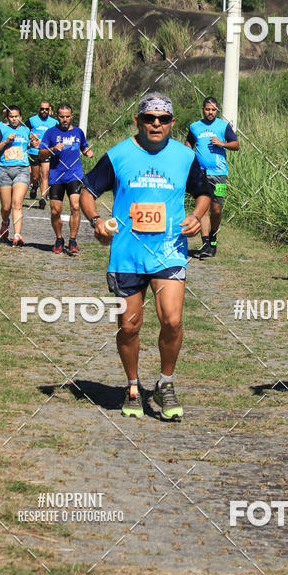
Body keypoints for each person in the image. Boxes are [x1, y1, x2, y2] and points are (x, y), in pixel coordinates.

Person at [80, 93, 212, 421]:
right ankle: (133, 386)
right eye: (150, 118)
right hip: (127, 253)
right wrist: (96, 220)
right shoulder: (119, 154)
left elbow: (205, 191)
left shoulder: (186, 156)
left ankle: (165, 382)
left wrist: (197, 215)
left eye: (163, 119)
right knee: (129, 326)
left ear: (172, 123)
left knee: (172, 320)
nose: (156, 124)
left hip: (169, 250)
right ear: (137, 121)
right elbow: (87, 190)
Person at [185, 96, 239, 258]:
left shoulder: (223, 126)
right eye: (208, 109)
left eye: (213, 109)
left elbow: (236, 145)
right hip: (200, 174)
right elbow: (189, 142)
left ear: (217, 110)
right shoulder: (195, 126)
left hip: (219, 173)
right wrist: (189, 154)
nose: (210, 112)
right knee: (204, 208)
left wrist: (222, 144)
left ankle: (213, 237)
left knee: (216, 209)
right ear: (203, 109)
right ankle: (206, 242)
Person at [38, 103, 94, 256]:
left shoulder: (78, 132)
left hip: (74, 175)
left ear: (71, 116)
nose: (64, 119)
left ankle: (73, 239)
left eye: (67, 116)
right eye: (62, 116)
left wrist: (88, 152)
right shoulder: (50, 133)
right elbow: (41, 154)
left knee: (75, 207)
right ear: (57, 116)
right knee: (55, 210)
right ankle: (58, 238)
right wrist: (53, 149)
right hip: (56, 176)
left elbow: (84, 147)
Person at [0, 105, 39, 246]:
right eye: (11, 117)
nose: (14, 119)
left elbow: (29, 145)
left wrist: (33, 143)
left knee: (17, 203)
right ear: (7, 118)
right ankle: (5, 222)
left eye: (16, 116)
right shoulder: (2, 129)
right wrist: (5, 142)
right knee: (6, 207)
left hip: (22, 170)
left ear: (21, 117)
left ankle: (17, 235)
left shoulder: (26, 130)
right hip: (4, 170)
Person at [26, 100, 58, 208]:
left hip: (46, 152)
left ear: (49, 110)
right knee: (35, 176)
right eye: (42, 109)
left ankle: (43, 198)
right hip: (33, 152)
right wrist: (30, 137)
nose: (44, 111)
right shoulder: (31, 120)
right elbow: (23, 132)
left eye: (46, 109)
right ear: (39, 109)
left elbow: (59, 135)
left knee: (45, 174)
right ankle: (34, 186)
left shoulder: (54, 122)